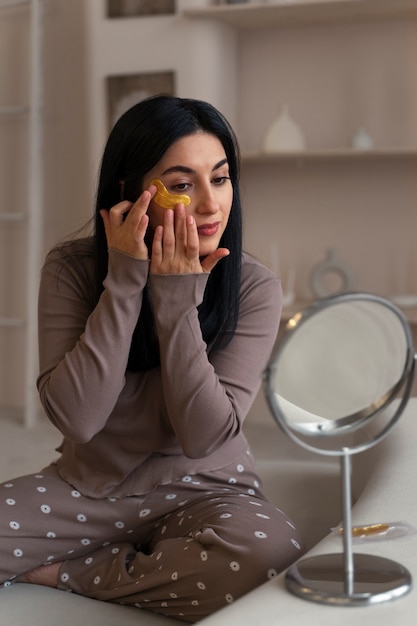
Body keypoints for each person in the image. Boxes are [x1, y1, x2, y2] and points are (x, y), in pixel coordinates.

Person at [0, 95, 304, 622]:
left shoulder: (254, 285)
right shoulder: (70, 269)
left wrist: (175, 302)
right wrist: (124, 281)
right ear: (130, 192)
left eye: (221, 178)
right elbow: (78, 418)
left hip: (210, 491)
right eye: (183, 185)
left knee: (268, 555)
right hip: (86, 489)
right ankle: (138, 565)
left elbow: (205, 436)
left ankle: (74, 573)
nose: (211, 205)